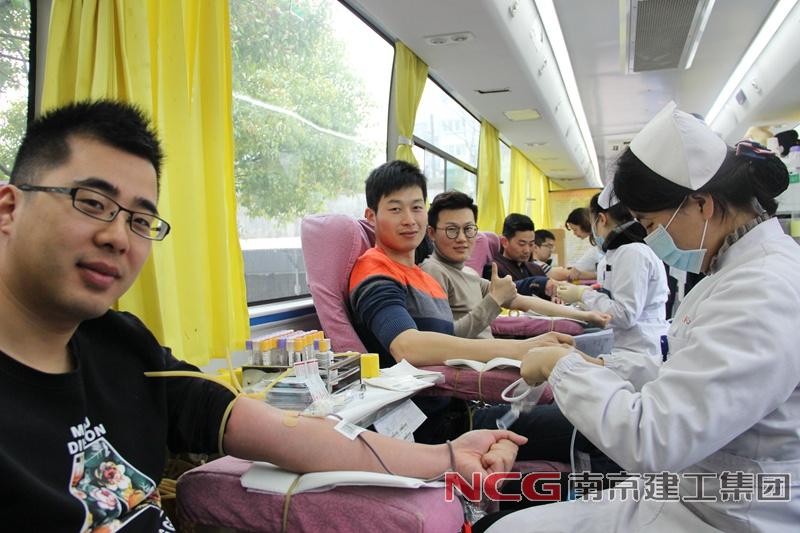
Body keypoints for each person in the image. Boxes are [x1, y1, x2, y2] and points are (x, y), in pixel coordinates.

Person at [0, 101, 525, 531]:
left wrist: (447, 457)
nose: (118, 237)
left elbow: (279, 431)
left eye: (141, 220)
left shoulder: (124, 346)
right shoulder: (376, 274)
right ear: (9, 208)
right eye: (92, 202)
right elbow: (406, 345)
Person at [480, 102, 800, 532]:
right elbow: (689, 375)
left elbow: (655, 438)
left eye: (651, 224)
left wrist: (564, 366)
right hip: (694, 489)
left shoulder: (763, 288)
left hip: (729, 513)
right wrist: (599, 365)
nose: (651, 240)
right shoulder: (734, 270)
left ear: (701, 204)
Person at [348, 160, 602, 462]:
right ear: (371, 216)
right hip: (437, 429)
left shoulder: (424, 277)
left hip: (462, 406)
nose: (409, 220)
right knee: (594, 424)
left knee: (591, 405)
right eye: (395, 209)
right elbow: (406, 346)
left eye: (416, 208)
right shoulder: (375, 269)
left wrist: (577, 323)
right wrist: (521, 349)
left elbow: (503, 307)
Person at [420, 191, 611, 340]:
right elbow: (444, 339)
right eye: (452, 230)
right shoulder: (432, 271)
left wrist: (587, 316)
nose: (462, 238)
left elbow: (523, 301)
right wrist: (494, 300)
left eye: (469, 229)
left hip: (490, 355)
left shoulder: (467, 273)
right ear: (431, 233)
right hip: (473, 366)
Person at [555, 192, 669, 355]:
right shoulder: (620, 252)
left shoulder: (631, 252)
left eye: (593, 222)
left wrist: (583, 295)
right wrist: (593, 295)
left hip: (641, 348)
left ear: (602, 219)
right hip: (631, 344)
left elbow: (625, 315)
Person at [481, 213, 554, 298]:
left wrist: (554, 296)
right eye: (522, 244)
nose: (527, 250)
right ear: (504, 242)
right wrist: (537, 283)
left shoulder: (536, 268)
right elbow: (503, 295)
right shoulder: (494, 269)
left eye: (531, 244)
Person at [564, 207, 601, 281]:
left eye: (575, 229)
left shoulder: (600, 237)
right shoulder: (595, 238)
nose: (574, 233)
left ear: (584, 224)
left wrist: (577, 268)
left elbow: (594, 253)